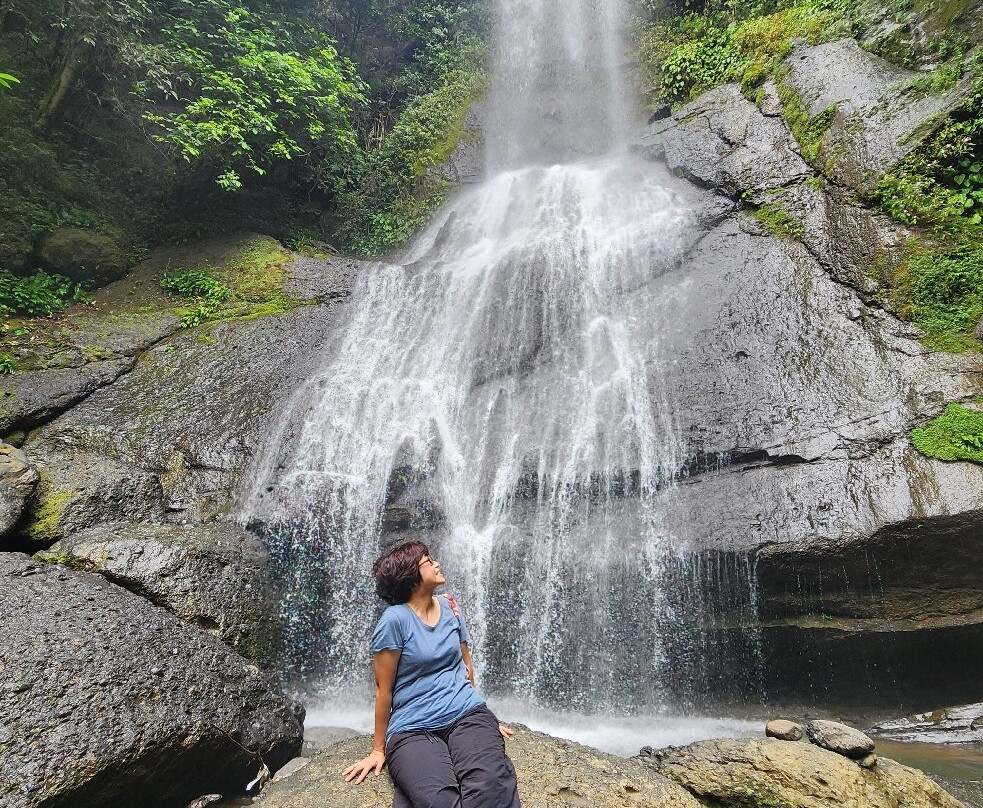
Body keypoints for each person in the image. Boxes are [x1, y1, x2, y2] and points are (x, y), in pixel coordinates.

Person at [343, 540, 521, 808]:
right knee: (437, 800)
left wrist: (486, 721)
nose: (436, 563)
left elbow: (466, 666)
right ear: (411, 577)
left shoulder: (450, 606)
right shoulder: (395, 620)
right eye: (428, 561)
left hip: (466, 713)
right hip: (414, 727)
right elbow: (383, 689)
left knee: (491, 785)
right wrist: (378, 749)